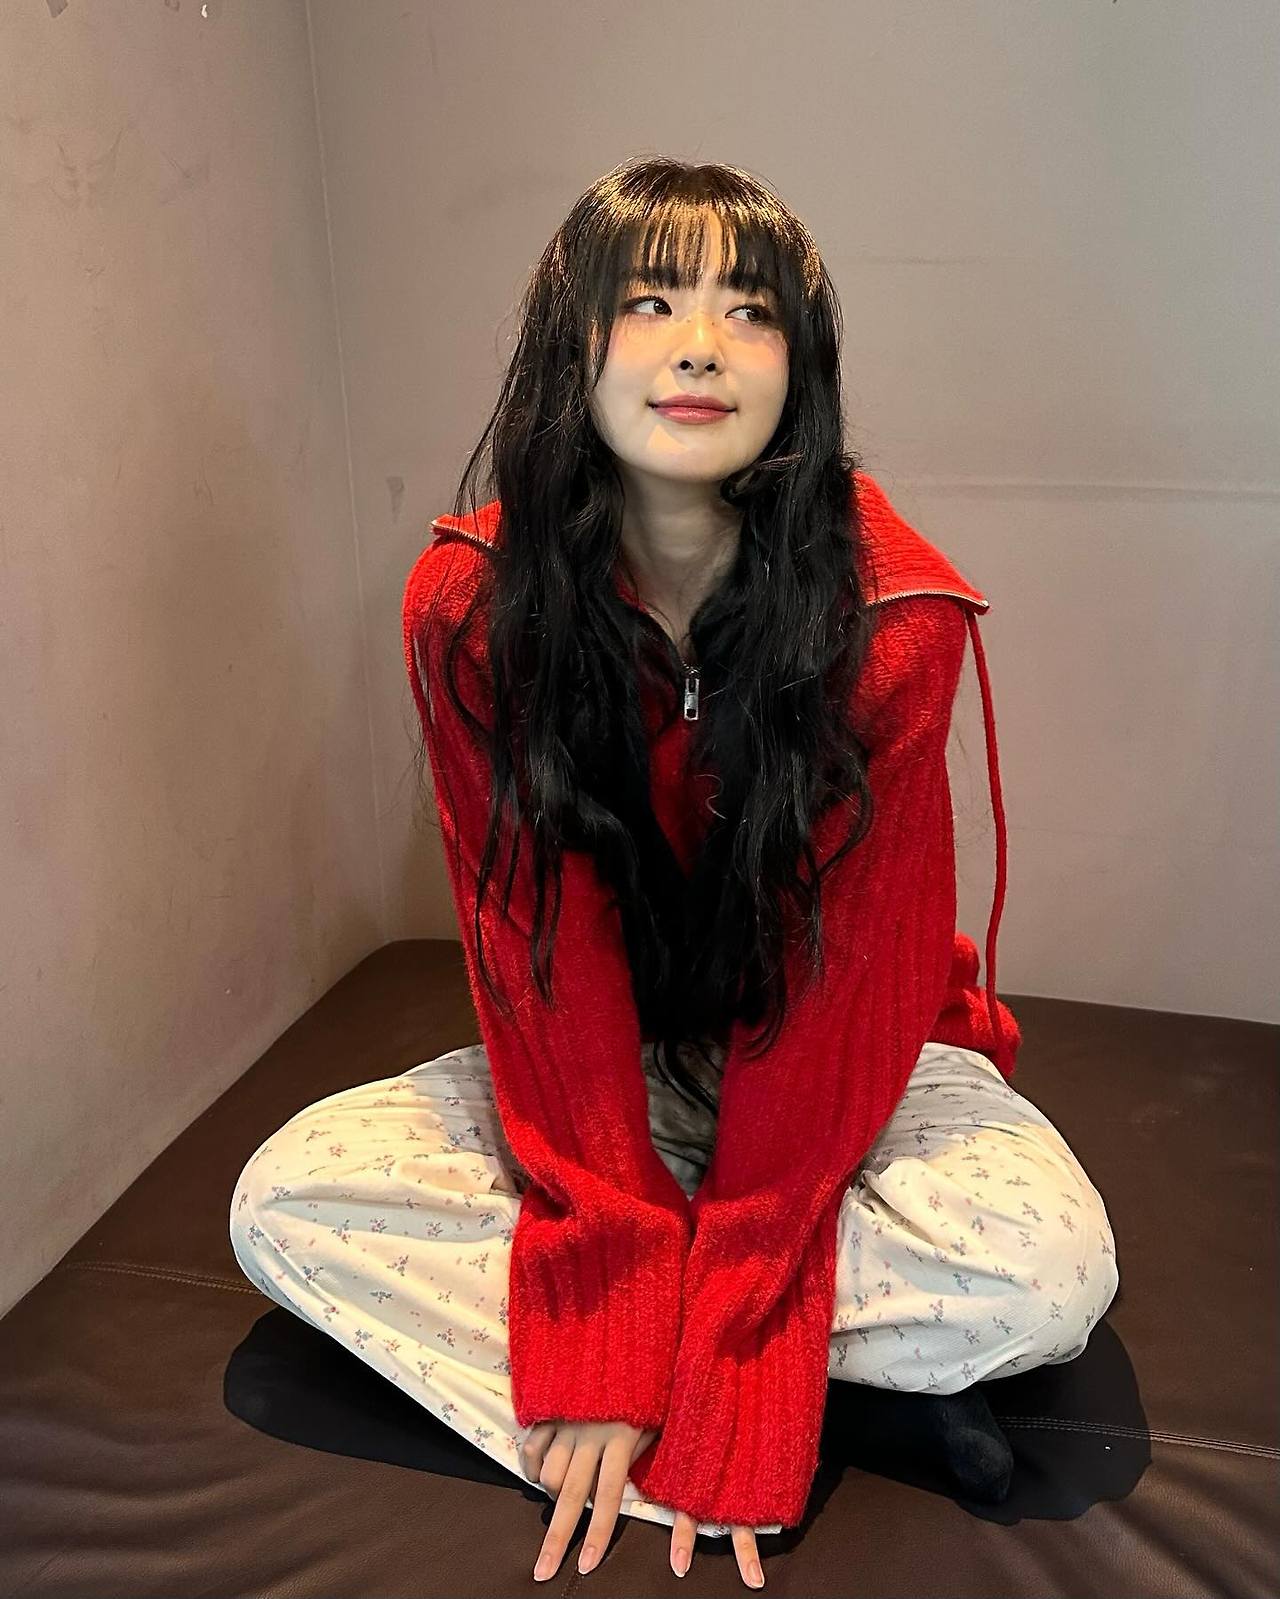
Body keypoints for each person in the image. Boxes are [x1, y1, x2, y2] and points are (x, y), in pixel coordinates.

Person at [229, 156, 1119, 1591]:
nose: (700, 344)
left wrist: (745, 1321)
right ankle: (779, 1382)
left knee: (1047, 1279)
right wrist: (607, 1266)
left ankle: (709, 1355)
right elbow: (540, 953)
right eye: (647, 302)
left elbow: (845, 991)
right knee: (282, 1203)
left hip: (851, 1063)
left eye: (749, 312)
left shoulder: (894, 618)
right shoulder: (472, 606)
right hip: (615, 1070)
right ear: (567, 349)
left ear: (800, 368)